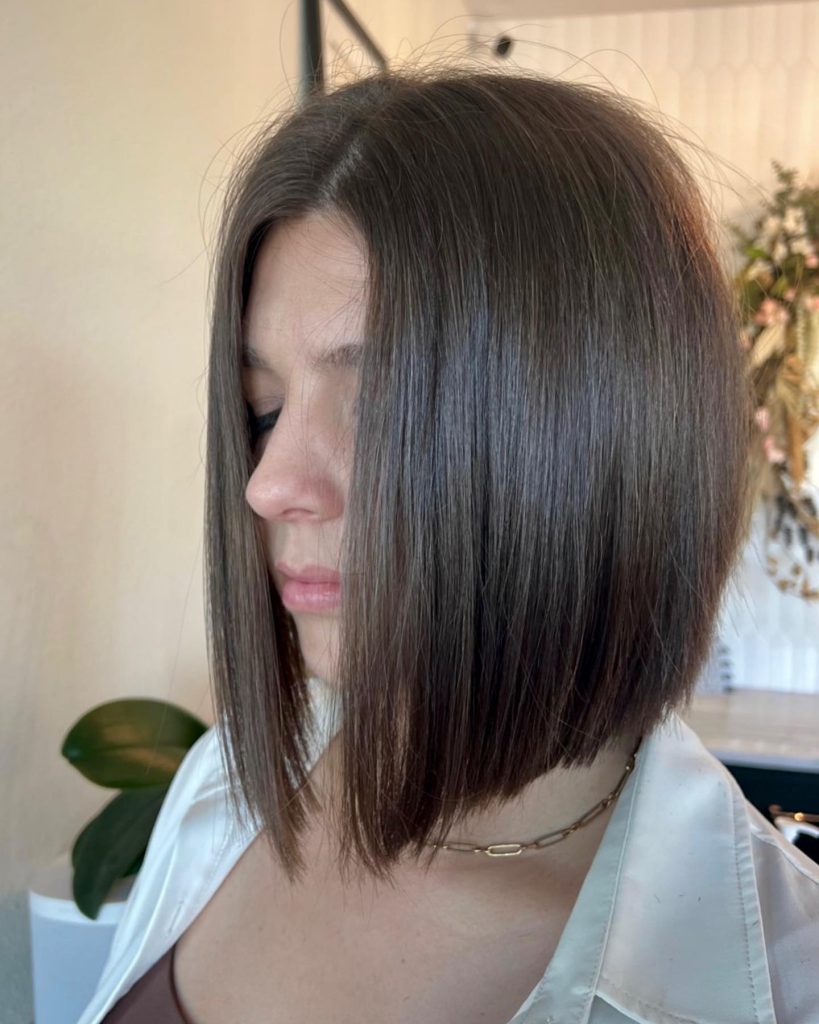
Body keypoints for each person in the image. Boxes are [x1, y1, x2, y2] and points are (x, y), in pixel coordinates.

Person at [78, 65, 819, 1024]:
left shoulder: (776, 983)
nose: (269, 485)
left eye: (382, 409)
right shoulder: (224, 788)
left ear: (596, 441)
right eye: (264, 409)